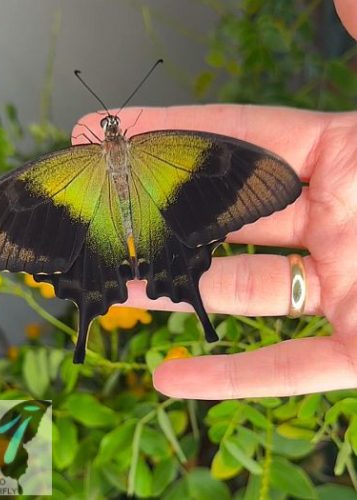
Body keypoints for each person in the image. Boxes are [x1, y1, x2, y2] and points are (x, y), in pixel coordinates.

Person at [73, 0, 357, 399]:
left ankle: (89, 337)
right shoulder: (165, 149)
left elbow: (255, 179)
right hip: (139, 222)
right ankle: (189, 324)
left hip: (141, 222)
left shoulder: (89, 159)